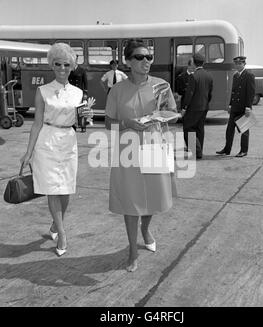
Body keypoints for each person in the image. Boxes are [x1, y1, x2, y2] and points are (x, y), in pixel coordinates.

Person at [105, 39, 177, 272]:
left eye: (149, 57)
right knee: (131, 199)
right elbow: (108, 122)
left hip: (154, 144)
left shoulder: (162, 86)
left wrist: (160, 116)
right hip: (127, 148)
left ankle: (145, 230)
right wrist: (126, 122)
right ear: (128, 61)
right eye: (139, 57)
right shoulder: (117, 90)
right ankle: (133, 251)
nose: (146, 61)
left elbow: (173, 115)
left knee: (153, 196)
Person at [20, 43, 93, 257]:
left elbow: (81, 126)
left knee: (66, 189)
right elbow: (36, 123)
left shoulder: (78, 93)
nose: (62, 68)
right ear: (52, 65)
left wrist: (86, 118)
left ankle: (55, 224)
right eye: (58, 64)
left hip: (68, 141)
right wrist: (28, 152)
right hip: (47, 141)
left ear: (72, 67)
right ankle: (61, 233)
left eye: (66, 64)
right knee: (53, 189)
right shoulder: (43, 91)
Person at [216, 56, 255, 157]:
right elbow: (233, 92)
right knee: (229, 129)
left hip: (243, 107)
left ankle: (244, 150)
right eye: (236, 64)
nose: (238, 65)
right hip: (235, 107)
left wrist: (248, 107)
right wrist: (230, 104)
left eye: (240, 64)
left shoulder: (249, 75)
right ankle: (227, 149)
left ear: (244, 64)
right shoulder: (235, 76)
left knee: (244, 130)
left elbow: (251, 93)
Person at [182, 53, 213, 159]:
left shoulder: (193, 76)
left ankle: (197, 152)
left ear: (194, 62)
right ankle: (199, 152)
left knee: (188, 128)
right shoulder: (209, 75)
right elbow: (210, 94)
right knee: (200, 129)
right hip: (204, 107)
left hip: (193, 107)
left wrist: (184, 107)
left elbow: (189, 94)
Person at [68, 55, 88, 132]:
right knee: (72, 110)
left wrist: (85, 93)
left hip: (79, 92)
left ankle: (83, 126)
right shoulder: (69, 70)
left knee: (81, 109)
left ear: (77, 60)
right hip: (71, 93)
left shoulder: (82, 70)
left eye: (75, 59)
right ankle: (74, 126)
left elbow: (85, 82)